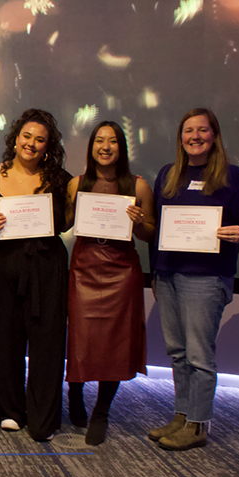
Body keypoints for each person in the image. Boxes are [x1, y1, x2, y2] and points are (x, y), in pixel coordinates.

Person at [148, 108, 239, 451]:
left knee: (200, 356)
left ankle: (198, 425)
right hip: (169, 274)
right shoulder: (168, 175)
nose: (195, 137)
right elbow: (158, 229)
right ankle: (182, 415)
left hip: (207, 277)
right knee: (177, 352)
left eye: (202, 130)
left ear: (214, 135)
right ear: (180, 137)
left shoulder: (233, 176)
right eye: (188, 131)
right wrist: (155, 271)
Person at [0, 108, 72, 442]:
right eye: (26, 136)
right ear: (15, 138)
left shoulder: (61, 179)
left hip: (45, 265)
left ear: (48, 146)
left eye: (40, 140)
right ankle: (7, 410)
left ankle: (43, 415)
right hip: (0, 264)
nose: (31, 144)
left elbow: (69, 220)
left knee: (47, 341)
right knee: (0, 338)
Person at [64, 121, 156, 445]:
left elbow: (149, 234)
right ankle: (75, 395)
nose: (105, 146)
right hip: (85, 269)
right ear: (91, 146)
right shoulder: (77, 184)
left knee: (115, 343)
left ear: (122, 147)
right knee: (81, 340)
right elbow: (62, 223)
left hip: (122, 271)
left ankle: (101, 412)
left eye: (113, 141)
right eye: (99, 140)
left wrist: (140, 220)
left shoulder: (138, 185)